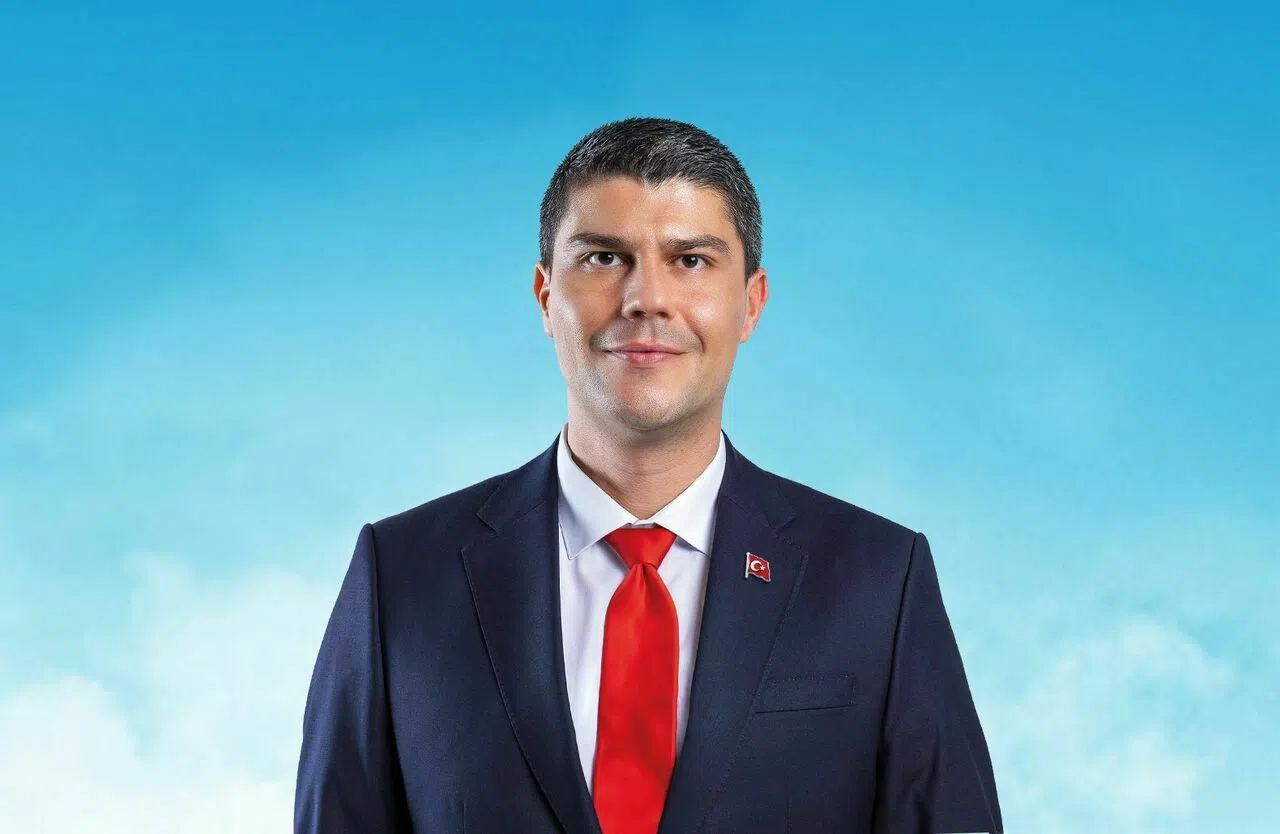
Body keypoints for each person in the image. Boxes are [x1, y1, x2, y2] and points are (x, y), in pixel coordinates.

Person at [294, 116, 1003, 834]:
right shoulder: (402, 576)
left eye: (690, 260)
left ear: (751, 302)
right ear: (545, 296)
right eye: (604, 257)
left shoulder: (879, 580)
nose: (646, 299)